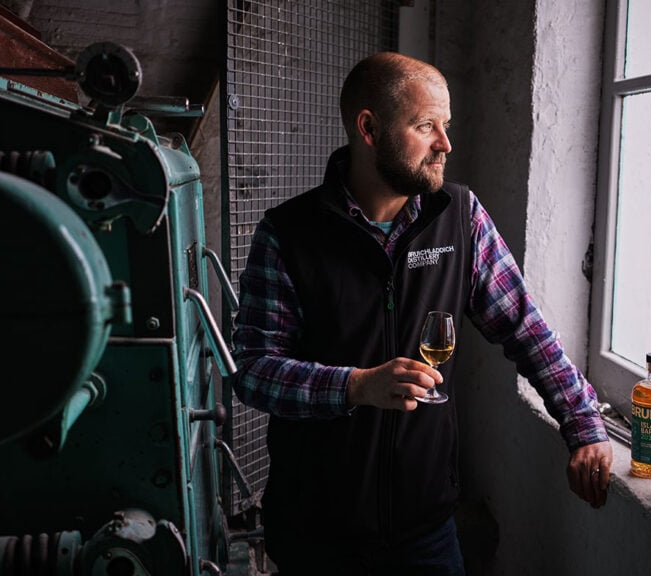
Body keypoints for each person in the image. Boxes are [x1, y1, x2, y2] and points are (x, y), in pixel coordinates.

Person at [231, 51, 613, 575]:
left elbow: (525, 327)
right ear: (369, 128)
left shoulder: (459, 216)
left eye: (446, 125)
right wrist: (356, 386)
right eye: (425, 125)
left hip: (426, 530)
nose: (445, 144)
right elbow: (253, 370)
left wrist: (584, 422)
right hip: (316, 532)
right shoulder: (288, 233)